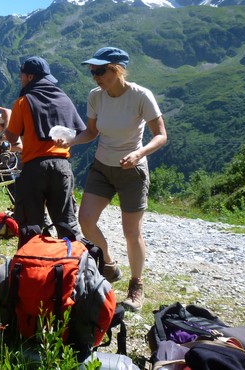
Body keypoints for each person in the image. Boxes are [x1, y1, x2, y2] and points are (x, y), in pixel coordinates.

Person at [61, 47, 167, 312]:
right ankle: (108, 263)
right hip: (102, 167)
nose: (95, 76)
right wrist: (70, 140)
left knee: (131, 232)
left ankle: (136, 284)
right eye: (92, 71)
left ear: (117, 69)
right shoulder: (96, 96)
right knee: (85, 220)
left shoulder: (141, 96)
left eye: (100, 71)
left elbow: (161, 135)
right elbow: (92, 132)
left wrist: (139, 152)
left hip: (133, 170)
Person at [0, 56, 86, 247]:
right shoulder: (64, 98)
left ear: (30, 77)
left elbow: (12, 138)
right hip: (62, 167)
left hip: (34, 168)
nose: (20, 78)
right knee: (67, 224)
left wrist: (7, 122)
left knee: (31, 227)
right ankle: (76, 270)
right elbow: (80, 131)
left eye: (22, 75)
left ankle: (31, 272)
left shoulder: (24, 101)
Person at [0, 113, 21, 211]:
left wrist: (4, 147)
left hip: (10, 167)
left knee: (12, 189)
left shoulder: (11, 134)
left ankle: (19, 208)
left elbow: (19, 147)